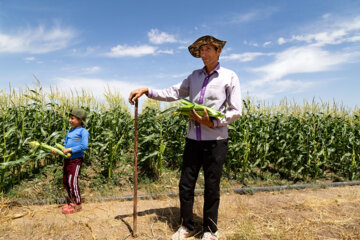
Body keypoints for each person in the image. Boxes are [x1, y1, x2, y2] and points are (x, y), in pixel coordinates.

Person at [129, 35, 242, 240]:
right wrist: (148, 91)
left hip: (216, 141)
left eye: (208, 49)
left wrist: (213, 122)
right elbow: (173, 92)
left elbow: (236, 111)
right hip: (193, 140)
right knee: (185, 184)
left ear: (218, 51)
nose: (204, 54)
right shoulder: (194, 77)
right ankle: (186, 226)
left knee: (211, 186)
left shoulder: (229, 77)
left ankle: (210, 230)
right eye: (201, 50)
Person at [52, 108, 89, 214]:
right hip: (67, 160)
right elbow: (65, 146)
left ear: (80, 120)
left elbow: (84, 146)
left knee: (72, 181)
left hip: (76, 160)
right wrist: (58, 151)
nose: (70, 120)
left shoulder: (83, 131)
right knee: (66, 181)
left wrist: (70, 149)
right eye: (69, 118)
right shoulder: (70, 131)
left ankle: (77, 204)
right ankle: (71, 201)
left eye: (72, 118)